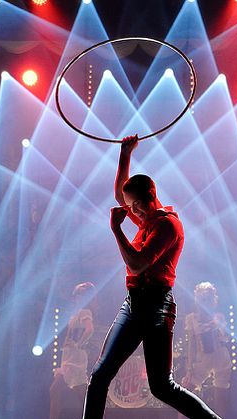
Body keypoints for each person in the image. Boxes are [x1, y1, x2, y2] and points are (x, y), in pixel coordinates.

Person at [82, 135, 221, 419]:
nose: (131, 211)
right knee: (100, 375)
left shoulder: (168, 225)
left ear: (151, 196)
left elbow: (137, 264)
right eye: (131, 208)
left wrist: (116, 230)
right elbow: (121, 195)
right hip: (133, 305)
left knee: (161, 386)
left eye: (136, 206)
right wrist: (124, 154)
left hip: (157, 308)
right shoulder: (145, 217)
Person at [181, 282, 231, 418]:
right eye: (202, 299)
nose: (205, 302)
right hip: (203, 359)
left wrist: (220, 327)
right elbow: (191, 344)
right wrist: (189, 368)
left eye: (208, 299)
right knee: (184, 395)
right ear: (197, 299)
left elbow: (226, 339)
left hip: (221, 357)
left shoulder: (218, 316)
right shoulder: (192, 318)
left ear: (213, 300)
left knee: (221, 400)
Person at [50, 282, 96, 419]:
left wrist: (78, 344)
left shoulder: (84, 312)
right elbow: (73, 333)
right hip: (69, 357)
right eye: (76, 295)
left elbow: (90, 329)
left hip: (75, 360)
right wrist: (68, 343)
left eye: (79, 295)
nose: (76, 298)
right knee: (66, 391)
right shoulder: (77, 313)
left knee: (63, 391)